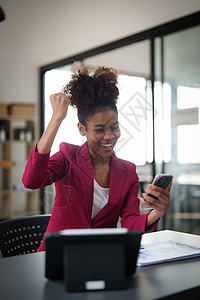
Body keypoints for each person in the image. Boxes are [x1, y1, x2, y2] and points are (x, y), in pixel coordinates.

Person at [22, 66, 172, 252]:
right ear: (82, 129)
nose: (109, 136)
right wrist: (56, 118)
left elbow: (130, 221)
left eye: (114, 127)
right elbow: (31, 180)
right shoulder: (67, 157)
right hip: (59, 254)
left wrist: (158, 211)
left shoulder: (128, 171)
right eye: (99, 130)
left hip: (102, 254)